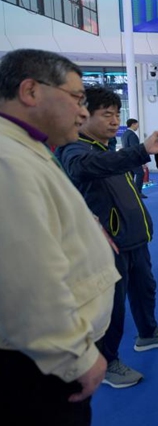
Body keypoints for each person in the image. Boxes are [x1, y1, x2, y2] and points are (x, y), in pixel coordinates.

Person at [0, 49, 119, 424]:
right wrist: (76, 358)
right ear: (31, 91)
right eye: (77, 98)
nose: (83, 112)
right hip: (45, 362)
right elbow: (26, 281)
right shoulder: (8, 159)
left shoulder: (27, 147)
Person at [57, 85, 158, 389]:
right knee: (110, 308)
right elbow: (87, 168)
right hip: (105, 245)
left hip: (133, 238)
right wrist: (141, 151)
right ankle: (108, 361)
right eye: (107, 115)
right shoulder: (75, 150)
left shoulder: (107, 150)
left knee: (145, 288)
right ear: (83, 116)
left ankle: (148, 333)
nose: (114, 121)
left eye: (117, 114)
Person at [122, 118, 146, 198]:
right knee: (140, 173)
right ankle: (138, 192)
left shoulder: (125, 134)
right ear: (133, 124)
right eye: (137, 124)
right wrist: (141, 160)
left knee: (131, 176)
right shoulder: (132, 135)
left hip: (127, 158)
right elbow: (135, 148)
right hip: (133, 158)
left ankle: (130, 192)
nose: (138, 126)